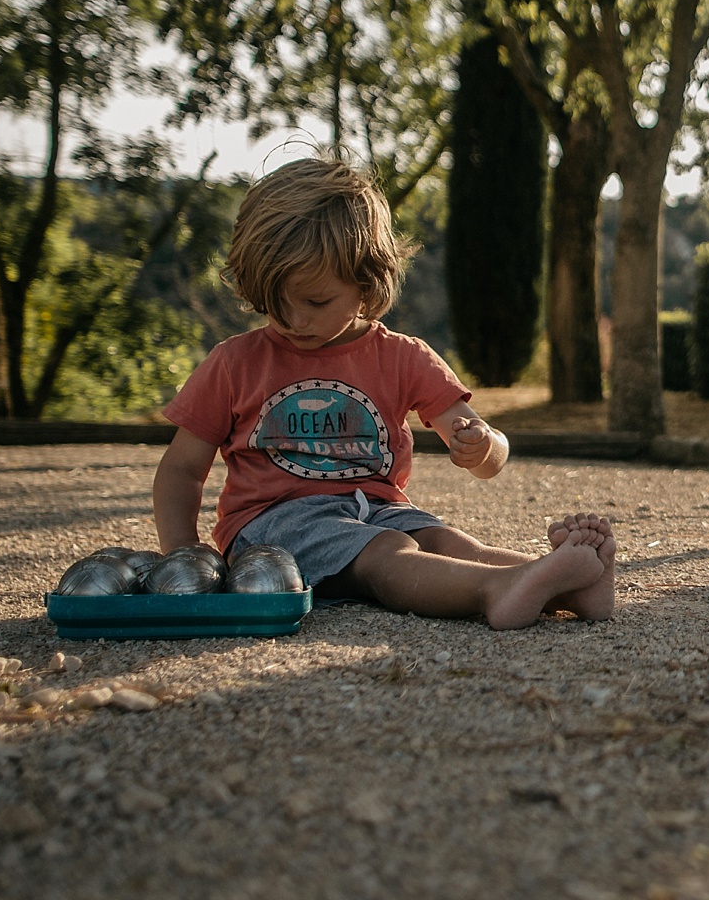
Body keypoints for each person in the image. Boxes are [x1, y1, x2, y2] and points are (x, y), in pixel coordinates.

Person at [152, 157, 614, 630]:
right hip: (275, 525)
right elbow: (181, 470)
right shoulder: (234, 362)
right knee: (387, 553)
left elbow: (491, 452)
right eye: (274, 302)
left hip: (378, 508)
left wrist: (481, 447)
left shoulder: (402, 357)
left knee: (447, 541)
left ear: (366, 280)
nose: (294, 321)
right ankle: (493, 590)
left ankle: (576, 589)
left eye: (315, 301)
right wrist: (183, 556)